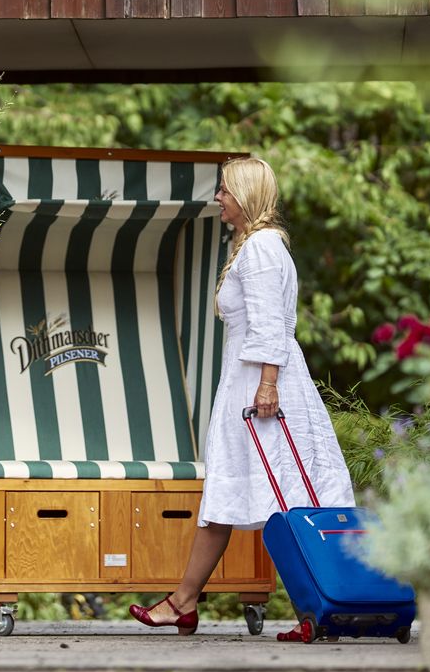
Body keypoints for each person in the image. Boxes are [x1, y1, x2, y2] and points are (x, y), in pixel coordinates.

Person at [130, 156, 354, 637]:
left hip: (262, 388)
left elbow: (273, 323)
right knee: (233, 491)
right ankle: (184, 600)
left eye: (225, 190)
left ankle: (321, 608)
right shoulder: (256, 247)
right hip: (249, 384)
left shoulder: (261, 250)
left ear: (247, 195)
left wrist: (268, 384)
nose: (218, 198)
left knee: (291, 497)